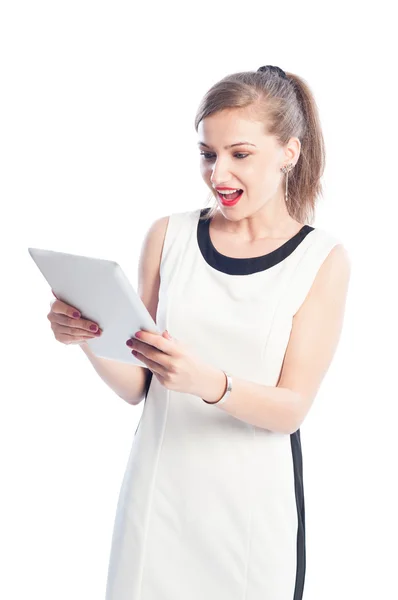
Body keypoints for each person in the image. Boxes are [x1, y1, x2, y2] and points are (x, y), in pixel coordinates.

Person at [48, 65, 351, 600]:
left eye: (240, 154)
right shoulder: (169, 236)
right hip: (157, 500)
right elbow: (137, 385)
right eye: (208, 154)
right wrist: (87, 338)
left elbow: (292, 408)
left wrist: (208, 381)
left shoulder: (320, 259)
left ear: (289, 153)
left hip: (251, 519)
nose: (218, 174)